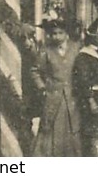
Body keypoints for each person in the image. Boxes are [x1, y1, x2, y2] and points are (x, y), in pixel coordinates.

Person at [30, 12, 81, 157]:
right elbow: (35, 71)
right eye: (54, 34)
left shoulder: (76, 48)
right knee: (51, 130)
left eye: (60, 33)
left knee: (73, 128)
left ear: (66, 34)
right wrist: (42, 87)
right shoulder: (46, 50)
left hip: (73, 96)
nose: (57, 36)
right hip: (53, 97)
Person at [72, 20, 98, 157]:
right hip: (93, 97)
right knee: (90, 129)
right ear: (96, 37)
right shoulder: (83, 57)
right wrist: (90, 100)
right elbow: (83, 81)